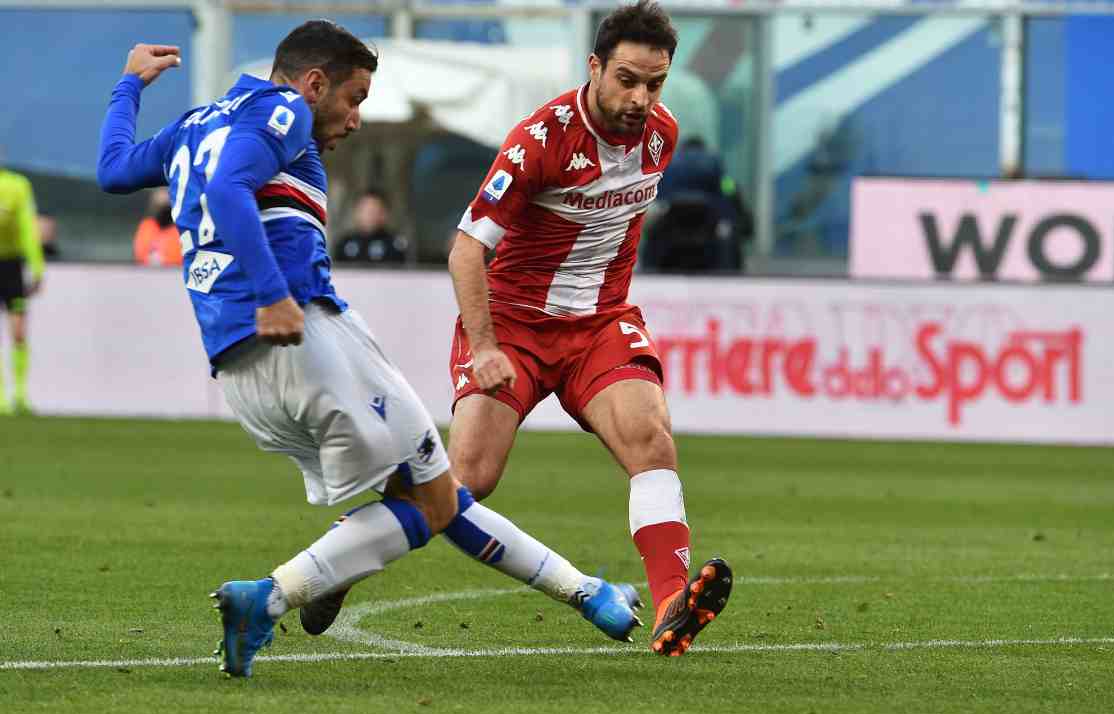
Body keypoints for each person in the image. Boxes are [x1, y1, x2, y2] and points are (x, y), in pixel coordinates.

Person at [97, 22, 640, 678]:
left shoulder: (195, 124)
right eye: (353, 98)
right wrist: (272, 293)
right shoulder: (284, 109)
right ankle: (266, 597)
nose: (356, 119)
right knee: (429, 502)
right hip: (303, 334)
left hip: (241, 366)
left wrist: (129, 84)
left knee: (436, 495)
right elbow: (227, 191)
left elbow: (114, 168)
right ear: (314, 82)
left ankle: (588, 593)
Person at [447, 1, 731, 657]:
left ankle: (670, 606)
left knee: (650, 439)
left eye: (655, 83)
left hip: (600, 323)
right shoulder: (538, 141)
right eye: (627, 79)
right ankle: (346, 554)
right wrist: (485, 345)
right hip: (515, 323)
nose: (641, 98)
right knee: (466, 480)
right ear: (595, 67)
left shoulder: (662, 134)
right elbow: (467, 249)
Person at [646, 136, 747, 273]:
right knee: (728, 234)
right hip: (707, 221)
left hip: (672, 221)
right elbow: (726, 187)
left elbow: (659, 191)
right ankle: (729, 273)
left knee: (651, 232)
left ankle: (648, 269)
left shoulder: (671, 161)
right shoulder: (713, 160)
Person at [0, 160, 43, 415]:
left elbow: (28, 227)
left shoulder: (17, 186)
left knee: (18, 331)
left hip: (11, 266)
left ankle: (20, 394)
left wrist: (36, 266)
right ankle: (1, 399)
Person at [332, 189, 407, 264]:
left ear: (384, 214)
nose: (369, 216)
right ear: (356, 212)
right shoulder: (344, 243)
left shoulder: (394, 244)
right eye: (365, 210)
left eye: (374, 211)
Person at [133, 187, 182, 266]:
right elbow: (140, 255)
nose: (163, 212)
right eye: (159, 206)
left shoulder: (180, 228)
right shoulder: (147, 226)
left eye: (166, 207)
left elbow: (178, 259)